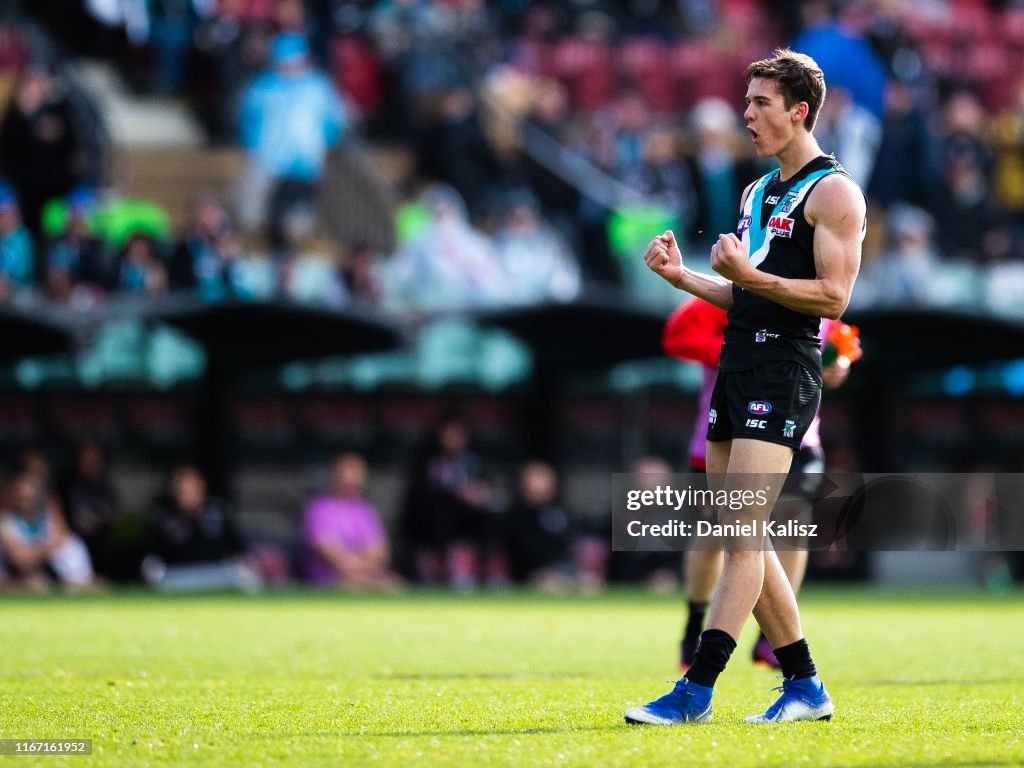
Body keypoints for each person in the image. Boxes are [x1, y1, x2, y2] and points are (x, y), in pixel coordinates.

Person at [625, 49, 865, 726]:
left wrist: (751, 281)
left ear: (799, 111)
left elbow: (833, 297)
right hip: (737, 366)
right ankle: (805, 685)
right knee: (745, 538)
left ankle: (695, 690)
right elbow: (743, 293)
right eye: (748, 101)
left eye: (761, 103)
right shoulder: (758, 192)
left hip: (783, 372)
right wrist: (684, 280)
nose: (747, 114)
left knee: (741, 537)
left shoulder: (835, 193)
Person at [664, 297, 856, 671]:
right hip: (725, 432)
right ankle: (694, 627)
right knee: (716, 535)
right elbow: (677, 336)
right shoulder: (738, 292)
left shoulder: (821, 292)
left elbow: (835, 347)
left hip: (800, 435)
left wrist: (839, 365)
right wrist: (741, 350)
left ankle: (770, 642)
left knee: (790, 534)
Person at [302, 452, 402, 590]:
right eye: (349, 472)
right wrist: (356, 570)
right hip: (329, 580)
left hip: (366, 575)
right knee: (355, 587)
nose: (355, 478)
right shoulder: (319, 508)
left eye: (359, 473)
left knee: (394, 585)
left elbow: (380, 551)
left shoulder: (365, 510)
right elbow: (329, 552)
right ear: (336, 475)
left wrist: (365, 572)